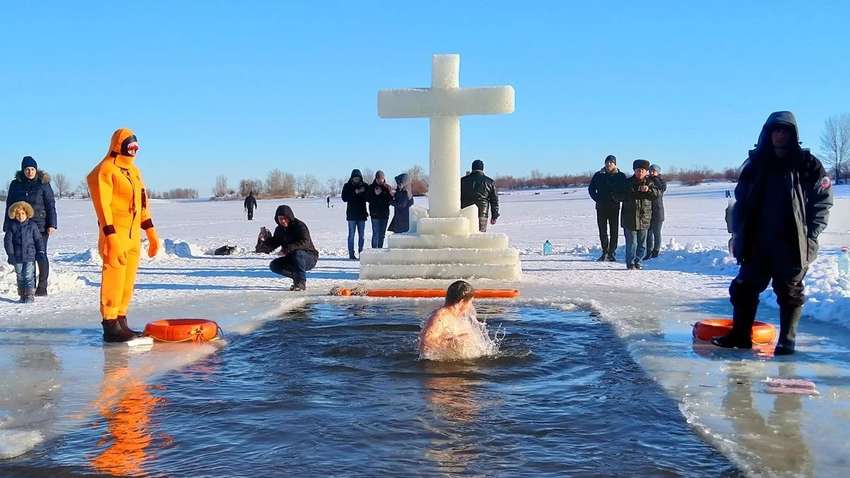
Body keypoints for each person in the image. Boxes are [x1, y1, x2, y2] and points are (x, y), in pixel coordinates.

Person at [712, 111, 833, 355]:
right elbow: (740, 202)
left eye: (785, 131)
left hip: (793, 241)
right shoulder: (755, 164)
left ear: (793, 134)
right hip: (757, 240)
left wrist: (811, 235)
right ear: (767, 133)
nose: (779, 135)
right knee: (743, 288)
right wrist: (736, 234)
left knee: (790, 291)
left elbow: (823, 200)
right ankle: (740, 336)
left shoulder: (808, 164)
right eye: (775, 130)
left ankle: (787, 342)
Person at [87, 128, 161, 343]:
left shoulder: (135, 172)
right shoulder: (106, 170)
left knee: (127, 281)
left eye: (136, 147)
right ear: (118, 145)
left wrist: (151, 233)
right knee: (114, 278)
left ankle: (121, 319)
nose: (134, 151)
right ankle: (110, 324)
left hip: (133, 236)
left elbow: (142, 204)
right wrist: (109, 235)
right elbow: (103, 206)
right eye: (130, 146)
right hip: (115, 234)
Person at [4, 156, 57, 296]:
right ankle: (29, 287)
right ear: (23, 170)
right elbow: (9, 205)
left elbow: (50, 204)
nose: (30, 171)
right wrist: (7, 224)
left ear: (36, 169)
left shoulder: (43, 183)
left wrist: (52, 224)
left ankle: (42, 286)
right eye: (27, 169)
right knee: (27, 256)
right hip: (21, 225)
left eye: (32, 169)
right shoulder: (16, 184)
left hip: (40, 226)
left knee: (40, 254)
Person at [256, 205, 319, 291]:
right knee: (274, 265)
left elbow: (305, 241)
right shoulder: (279, 230)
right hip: (293, 258)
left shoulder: (299, 226)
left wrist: (288, 248)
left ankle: (301, 282)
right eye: (280, 218)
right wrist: (262, 243)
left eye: (285, 218)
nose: (283, 221)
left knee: (297, 253)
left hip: (309, 257)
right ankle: (297, 278)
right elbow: (273, 244)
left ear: (289, 217)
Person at [419, 280, 480, 361]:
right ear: (462, 302)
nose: (471, 306)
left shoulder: (459, 317)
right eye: (470, 302)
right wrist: (454, 342)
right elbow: (426, 342)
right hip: (441, 368)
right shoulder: (441, 317)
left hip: (457, 363)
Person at [620, 159, 658, 270]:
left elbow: (657, 194)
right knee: (632, 243)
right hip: (629, 218)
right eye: (638, 170)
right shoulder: (627, 183)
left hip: (644, 218)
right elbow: (617, 195)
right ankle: (630, 262)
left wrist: (649, 190)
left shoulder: (651, 183)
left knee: (642, 244)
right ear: (634, 171)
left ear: (646, 171)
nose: (640, 172)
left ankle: (638, 261)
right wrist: (631, 193)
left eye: (642, 170)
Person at [588, 155, 627, 261]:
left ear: (615, 164)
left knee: (614, 230)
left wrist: (617, 198)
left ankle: (612, 252)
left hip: (614, 207)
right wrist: (597, 199)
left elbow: (625, 191)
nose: (609, 164)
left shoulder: (620, 176)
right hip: (601, 207)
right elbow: (591, 189)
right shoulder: (598, 175)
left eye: (611, 162)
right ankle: (605, 251)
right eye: (607, 162)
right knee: (602, 230)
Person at [4, 202, 45, 302]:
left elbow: (38, 239)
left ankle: (29, 296)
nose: (20, 216)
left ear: (27, 213)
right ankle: (22, 295)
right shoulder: (12, 226)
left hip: (30, 255)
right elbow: (8, 241)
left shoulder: (32, 225)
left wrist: (40, 251)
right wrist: (10, 255)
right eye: (18, 214)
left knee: (28, 276)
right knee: (20, 276)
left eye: (22, 213)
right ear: (14, 215)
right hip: (17, 256)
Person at [460, 159, 499, 232]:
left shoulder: (462, 181)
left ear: (472, 168)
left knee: (465, 236)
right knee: (480, 237)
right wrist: (494, 216)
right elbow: (494, 201)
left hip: (465, 213)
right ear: (482, 168)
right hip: (482, 214)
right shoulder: (490, 182)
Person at [341, 169, 368, 259]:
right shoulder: (347, 186)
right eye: (355, 178)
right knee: (351, 235)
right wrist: (355, 192)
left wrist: (362, 192)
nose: (356, 180)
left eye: (358, 178)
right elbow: (344, 198)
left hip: (361, 214)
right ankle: (351, 253)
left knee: (362, 236)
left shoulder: (364, 186)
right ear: (352, 178)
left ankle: (361, 252)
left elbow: (368, 197)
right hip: (351, 215)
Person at [644, 164, 667, 259]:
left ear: (658, 172)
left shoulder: (661, 181)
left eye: (654, 171)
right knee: (648, 233)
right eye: (650, 171)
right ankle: (648, 251)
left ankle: (656, 251)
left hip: (658, 211)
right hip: (648, 211)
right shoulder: (647, 180)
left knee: (656, 233)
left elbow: (661, 189)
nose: (652, 173)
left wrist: (653, 182)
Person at [367, 170, 392, 248]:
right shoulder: (371, 187)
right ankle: (374, 251)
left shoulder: (387, 187)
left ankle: (379, 250)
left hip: (384, 214)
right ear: (376, 179)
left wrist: (388, 194)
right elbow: (367, 198)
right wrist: (375, 194)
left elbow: (390, 200)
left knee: (382, 234)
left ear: (384, 178)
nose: (380, 180)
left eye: (381, 178)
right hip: (375, 214)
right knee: (375, 234)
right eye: (378, 179)